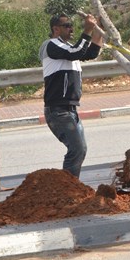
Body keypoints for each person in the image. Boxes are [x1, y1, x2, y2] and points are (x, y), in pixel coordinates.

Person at [39, 13, 103, 178]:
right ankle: (68, 188)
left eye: (72, 25)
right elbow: (76, 52)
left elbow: (90, 53)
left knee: (80, 149)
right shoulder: (51, 45)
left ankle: (69, 187)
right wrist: (87, 29)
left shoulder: (66, 49)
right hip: (58, 110)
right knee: (77, 149)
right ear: (56, 29)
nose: (71, 28)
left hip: (69, 109)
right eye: (67, 25)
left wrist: (98, 30)